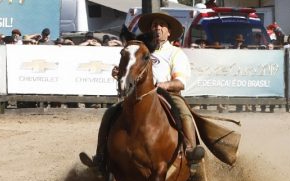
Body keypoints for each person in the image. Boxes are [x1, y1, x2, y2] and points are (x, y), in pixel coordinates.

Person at [83, 12, 205, 169]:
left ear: (169, 32)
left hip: (168, 96)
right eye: (154, 25)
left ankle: (190, 152)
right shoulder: (140, 50)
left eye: (162, 25)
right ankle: (100, 157)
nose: (157, 27)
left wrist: (163, 85)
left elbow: (180, 82)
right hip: (138, 96)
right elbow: (130, 72)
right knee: (110, 113)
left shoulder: (175, 53)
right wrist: (120, 73)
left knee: (184, 113)